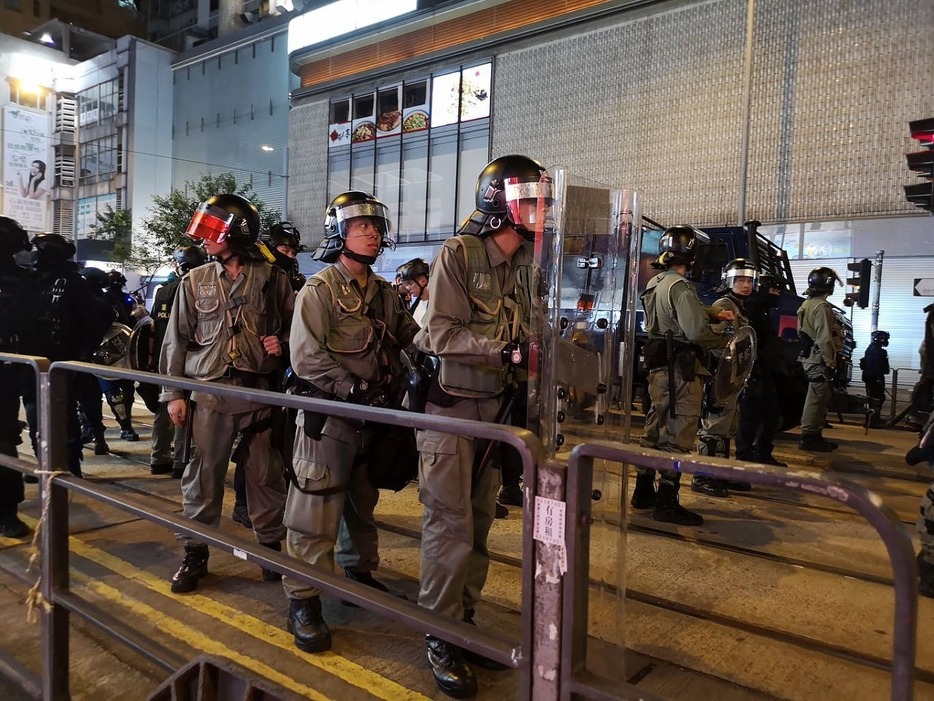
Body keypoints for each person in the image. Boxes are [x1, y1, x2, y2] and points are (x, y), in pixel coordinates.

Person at [414, 155, 547, 698]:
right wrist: (505, 352)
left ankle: (463, 621)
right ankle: (439, 633)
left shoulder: (527, 264)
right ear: (501, 202)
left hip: (496, 412)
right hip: (451, 412)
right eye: (532, 199)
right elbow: (439, 333)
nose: (541, 210)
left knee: (482, 520)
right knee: (450, 525)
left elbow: (533, 327)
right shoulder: (459, 254)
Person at [282, 190, 419, 654]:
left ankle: (359, 573)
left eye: (375, 225)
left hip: (372, 416)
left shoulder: (384, 292)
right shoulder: (318, 289)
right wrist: (354, 390)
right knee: (314, 506)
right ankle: (303, 598)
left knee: (363, 501)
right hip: (329, 414)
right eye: (361, 225)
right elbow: (305, 358)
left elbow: (411, 338)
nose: (372, 232)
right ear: (338, 232)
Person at [160, 193, 292, 593]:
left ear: (236, 233)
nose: (204, 240)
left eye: (212, 231)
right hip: (209, 395)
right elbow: (176, 340)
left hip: (259, 396)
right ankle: (195, 554)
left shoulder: (274, 279)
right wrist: (174, 394)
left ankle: (271, 550)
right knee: (202, 476)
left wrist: (281, 343)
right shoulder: (194, 280)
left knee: (266, 478)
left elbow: (297, 328)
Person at [633, 225, 733, 526]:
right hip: (683, 371)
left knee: (654, 427)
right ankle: (666, 501)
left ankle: (642, 492)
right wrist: (722, 335)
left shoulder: (657, 282)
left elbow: (678, 312)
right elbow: (696, 332)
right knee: (678, 434)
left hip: (659, 370)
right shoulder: (681, 286)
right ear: (691, 256)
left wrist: (713, 312)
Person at [27, 234, 110, 478]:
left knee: (64, 415)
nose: (38, 255)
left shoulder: (74, 283)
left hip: (63, 362)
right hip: (32, 363)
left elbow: (92, 322)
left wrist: (79, 359)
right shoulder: (31, 281)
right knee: (35, 414)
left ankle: (70, 462)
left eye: (43, 250)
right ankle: (43, 460)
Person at [693, 258, 757, 497]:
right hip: (720, 377)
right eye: (740, 279)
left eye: (749, 280)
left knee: (726, 427)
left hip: (733, 379)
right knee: (713, 426)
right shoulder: (724, 304)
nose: (745, 284)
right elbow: (720, 345)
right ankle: (703, 476)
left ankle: (720, 474)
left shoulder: (740, 306)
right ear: (728, 281)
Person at [149, 246, 207, 477]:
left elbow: (152, 330)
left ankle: (158, 457)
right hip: (190, 360)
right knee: (186, 412)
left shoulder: (163, 292)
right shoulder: (197, 288)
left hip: (165, 362)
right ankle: (180, 461)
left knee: (165, 407)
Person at [0, 217, 37, 538]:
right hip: (7, 373)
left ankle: (8, 512)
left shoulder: (22, 281)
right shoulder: (24, 280)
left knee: (4, 439)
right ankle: (7, 514)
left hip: (6, 372)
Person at [735, 272, 787, 466]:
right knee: (750, 416)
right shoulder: (752, 309)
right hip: (753, 370)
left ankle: (761, 453)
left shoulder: (763, 309)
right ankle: (745, 456)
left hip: (764, 369)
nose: (776, 294)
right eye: (773, 290)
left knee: (769, 414)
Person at [797, 267, 844, 452]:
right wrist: (830, 361)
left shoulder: (806, 304)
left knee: (818, 397)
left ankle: (814, 435)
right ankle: (809, 437)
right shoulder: (821, 307)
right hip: (819, 360)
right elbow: (824, 338)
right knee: (816, 398)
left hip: (809, 357)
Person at [860, 330, 890, 409]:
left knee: (873, 397)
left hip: (870, 376)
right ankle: (875, 417)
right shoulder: (878, 350)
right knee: (877, 398)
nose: (886, 341)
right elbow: (877, 365)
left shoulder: (870, 348)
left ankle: (873, 415)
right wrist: (878, 378)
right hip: (875, 377)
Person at [396, 258, 430, 326]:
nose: (407, 288)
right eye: (405, 284)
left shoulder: (437, 305)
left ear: (422, 281)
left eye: (410, 283)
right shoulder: (417, 304)